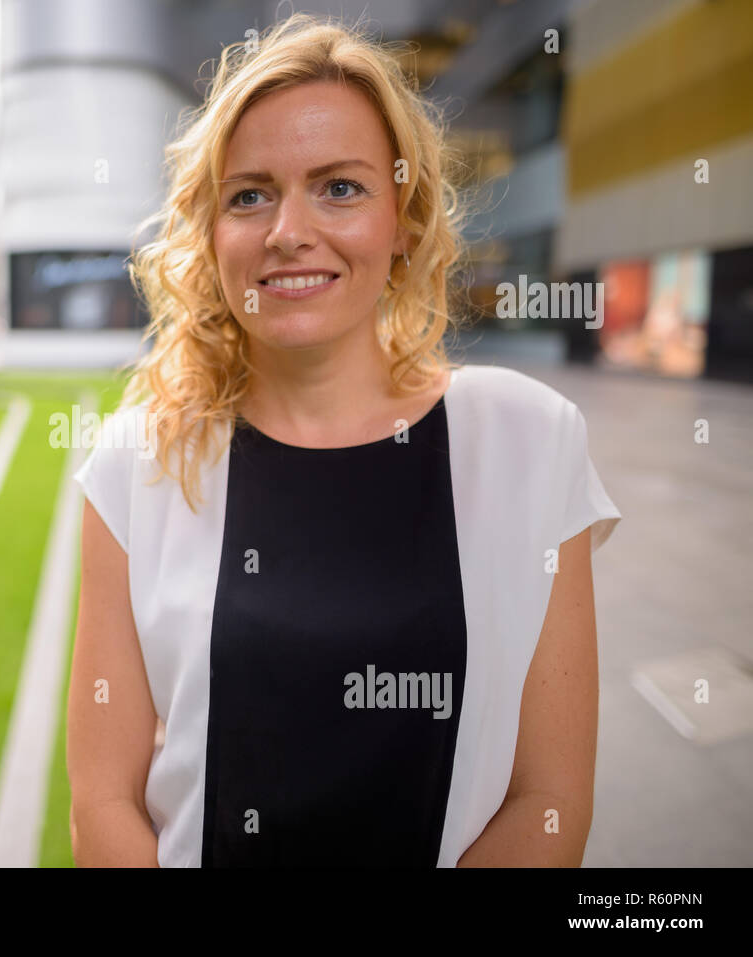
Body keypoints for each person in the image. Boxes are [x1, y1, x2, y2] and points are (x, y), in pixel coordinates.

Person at [65, 13, 622, 868]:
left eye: (340, 187)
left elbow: (549, 803)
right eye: (249, 193)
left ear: (404, 221)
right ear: (212, 235)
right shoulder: (137, 460)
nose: (288, 229)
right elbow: (103, 800)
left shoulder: (529, 441)